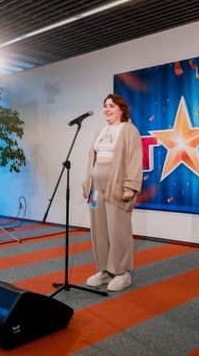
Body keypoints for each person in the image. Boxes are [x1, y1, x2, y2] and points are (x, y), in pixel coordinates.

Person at [82, 93, 143, 291]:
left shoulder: (129, 130)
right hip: (96, 187)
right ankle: (104, 270)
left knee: (118, 230)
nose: (106, 109)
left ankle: (122, 273)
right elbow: (92, 159)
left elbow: (134, 158)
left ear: (121, 109)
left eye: (111, 106)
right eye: (105, 105)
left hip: (116, 185)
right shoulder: (100, 131)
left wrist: (130, 186)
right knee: (98, 229)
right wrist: (87, 182)